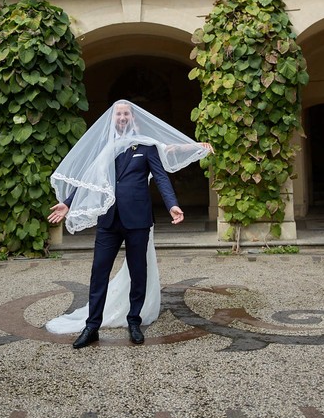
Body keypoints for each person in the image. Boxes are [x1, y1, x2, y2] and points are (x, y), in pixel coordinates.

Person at [46, 100, 212, 348]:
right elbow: (90, 180)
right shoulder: (105, 147)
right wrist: (68, 203)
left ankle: (134, 321)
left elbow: (161, 177)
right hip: (109, 220)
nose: (122, 117)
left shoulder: (146, 146)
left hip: (138, 220)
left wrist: (172, 205)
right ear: (113, 119)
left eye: (126, 114)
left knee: (138, 272)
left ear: (132, 119)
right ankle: (92, 326)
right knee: (98, 272)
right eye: (118, 114)